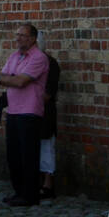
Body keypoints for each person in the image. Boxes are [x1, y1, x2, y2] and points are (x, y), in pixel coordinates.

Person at [0, 23, 49, 207]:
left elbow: (20, 81)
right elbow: (1, 76)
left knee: (28, 155)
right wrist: (4, 79)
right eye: (17, 34)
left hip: (30, 111)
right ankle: (19, 192)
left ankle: (30, 194)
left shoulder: (39, 58)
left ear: (33, 38)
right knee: (14, 155)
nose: (18, 38)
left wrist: (6, 79)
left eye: (23, 35)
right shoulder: (14, 56)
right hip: (13, 110)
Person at [37, 31, 60, 200]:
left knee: (46, 147)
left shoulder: (51, 64)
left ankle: (47, 184)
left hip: (44, 111)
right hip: (28, 110)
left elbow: (48, 93)